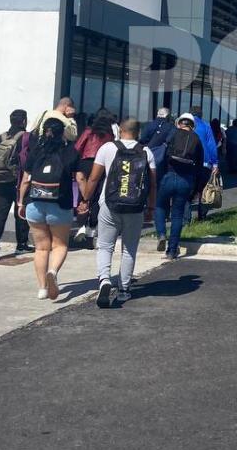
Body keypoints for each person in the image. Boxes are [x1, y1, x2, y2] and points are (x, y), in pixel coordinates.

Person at [81, 119, 157, 307]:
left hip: (109, 204)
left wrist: (85, 198)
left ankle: (105, 280)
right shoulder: (146, 152)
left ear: (120, 131)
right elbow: (153, 184)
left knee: (105, 245)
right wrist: (151, 208)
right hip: (135, 206)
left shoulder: (107, 148)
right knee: (129, 248)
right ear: (138, 133)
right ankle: (123, 290)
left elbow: (94, 177)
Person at [16, 118, 80, 300]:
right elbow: (80, 178)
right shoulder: (70, 152)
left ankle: (42, 288)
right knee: (59, 245)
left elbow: (26, 180)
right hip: (59, 205)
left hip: (35, 204)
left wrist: (21, 202)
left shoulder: (36, 151)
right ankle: (53, 271)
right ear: (63, 133)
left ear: (44, 132)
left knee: (41, 248)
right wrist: (85, 201)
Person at [0, 109, 32, 260]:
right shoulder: (26, 137)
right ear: (24, 121)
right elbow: (27, 159)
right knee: (21, 211)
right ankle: (21, 245)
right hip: (17, 180)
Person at [155, 113, 204, 260]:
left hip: (168, 176)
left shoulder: (173, 134)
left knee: (160, 206)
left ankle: (162, 234)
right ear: (192, 125)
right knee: (177, 215)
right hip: (186, 180)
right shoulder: (197, 139)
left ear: (179, 123)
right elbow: (199, 167)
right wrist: (196, 189)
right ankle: (171, 251)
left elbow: (162, 156)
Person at [72, 110, 115, 244]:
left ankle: (81, 225)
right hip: (101, 165)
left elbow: (78, 147)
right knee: (96, 195)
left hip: (85, 163)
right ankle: (92, 227)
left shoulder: (89, 131)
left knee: (84, 196)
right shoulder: (109, 135)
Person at [189, 106, 218, 222]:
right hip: (205, 164)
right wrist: (215, 163)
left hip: (189, 162)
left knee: (188, 192)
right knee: (203, 191)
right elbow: (211, 146)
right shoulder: (206, 126)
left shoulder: (185, 125)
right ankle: (202, 216)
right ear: (201, 115)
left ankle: (186, 219)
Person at [139, 107, 176, 173]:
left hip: (147, 155)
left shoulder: (148, 125)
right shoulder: (171, 127)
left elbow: (142, 139)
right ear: (167, 116)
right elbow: (170, 141)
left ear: (157, 114)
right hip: (161, 159)